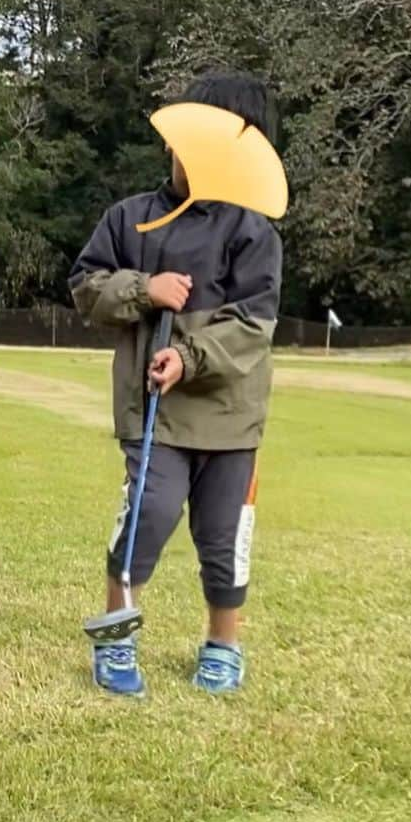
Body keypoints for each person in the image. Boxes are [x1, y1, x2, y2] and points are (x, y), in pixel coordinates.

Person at [69, 71, 283, 699]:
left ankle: (223, 643)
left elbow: (253, 325)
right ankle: (117, 634)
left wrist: (189, 357)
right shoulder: (130, 219)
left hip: (230, 418)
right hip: (154, 414)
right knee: (148, 514)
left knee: (223, 537)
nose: (184, 154)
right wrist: (143, 288)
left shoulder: (255, 234)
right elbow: (86, 287)